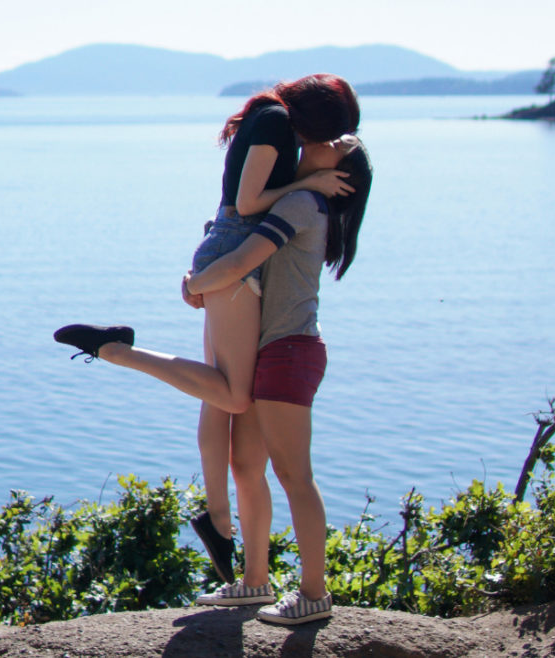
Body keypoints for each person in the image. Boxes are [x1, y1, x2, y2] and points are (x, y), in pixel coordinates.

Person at [56, 135, 373, 624]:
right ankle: (254, 582)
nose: (324, 139)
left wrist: (195, 284)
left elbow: (246, 257)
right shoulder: (302, 194)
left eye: (338, 143)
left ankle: (314, 593)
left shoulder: (305, 202)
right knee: (245, 468)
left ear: (342, 175)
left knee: (294, 476)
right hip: (273, 350)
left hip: (290, 351)